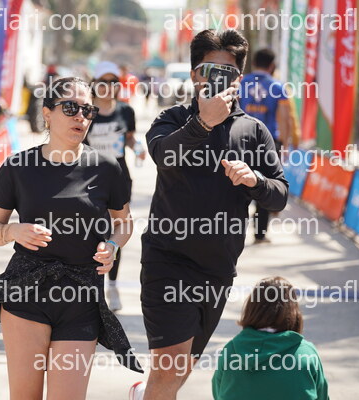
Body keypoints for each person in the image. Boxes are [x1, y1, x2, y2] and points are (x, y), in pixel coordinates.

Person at [0, 77, 143, 400]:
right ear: (47, 113)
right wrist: (12, 231)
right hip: (26, 293)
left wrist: (113, 245)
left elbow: (123, 223)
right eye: (70, 108)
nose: (81, 117)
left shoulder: (106, 168)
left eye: (88, 110)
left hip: (81, 296)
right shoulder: (19, 166)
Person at [129, 30, 288, 400]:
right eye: (208, 69)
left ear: (239, 79)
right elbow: (164, 155)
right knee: (171, 365)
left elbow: (279, 196)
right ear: (193, 75)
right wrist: (203, 122)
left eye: (226, 71)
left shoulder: (253, 131)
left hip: (218, 269)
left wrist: (255, 180)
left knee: (180, 369)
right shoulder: (172, 119)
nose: (217, 78)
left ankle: (143, 393)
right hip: (167, 261)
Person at [86, 61, 145, 311]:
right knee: (91, 232)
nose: (108, 86)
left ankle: (112, 285)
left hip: (119, 178)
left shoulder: (125, 111)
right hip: (89, 179)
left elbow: (129, 138)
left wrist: (138, 147)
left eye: (113, 82)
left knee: (115, 232)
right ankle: (91, 286)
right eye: (103, 81)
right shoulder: (85, 112)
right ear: (94, 84)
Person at [212, 276, 329, 400]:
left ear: (251, 308)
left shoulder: (231, 350)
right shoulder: (307, 353)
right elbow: (322, 396)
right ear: (293, 311)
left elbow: (218, 393)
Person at [239, 48, 296, 244]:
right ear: (272, 66)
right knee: (264, 185)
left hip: (241, 140)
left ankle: (233, 231)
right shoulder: (278, 87)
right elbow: (284, 118)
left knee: (238, 183)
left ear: (253, 63)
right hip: (269, 144)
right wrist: (285, 144)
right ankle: (260, 234)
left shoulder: (241, 83)